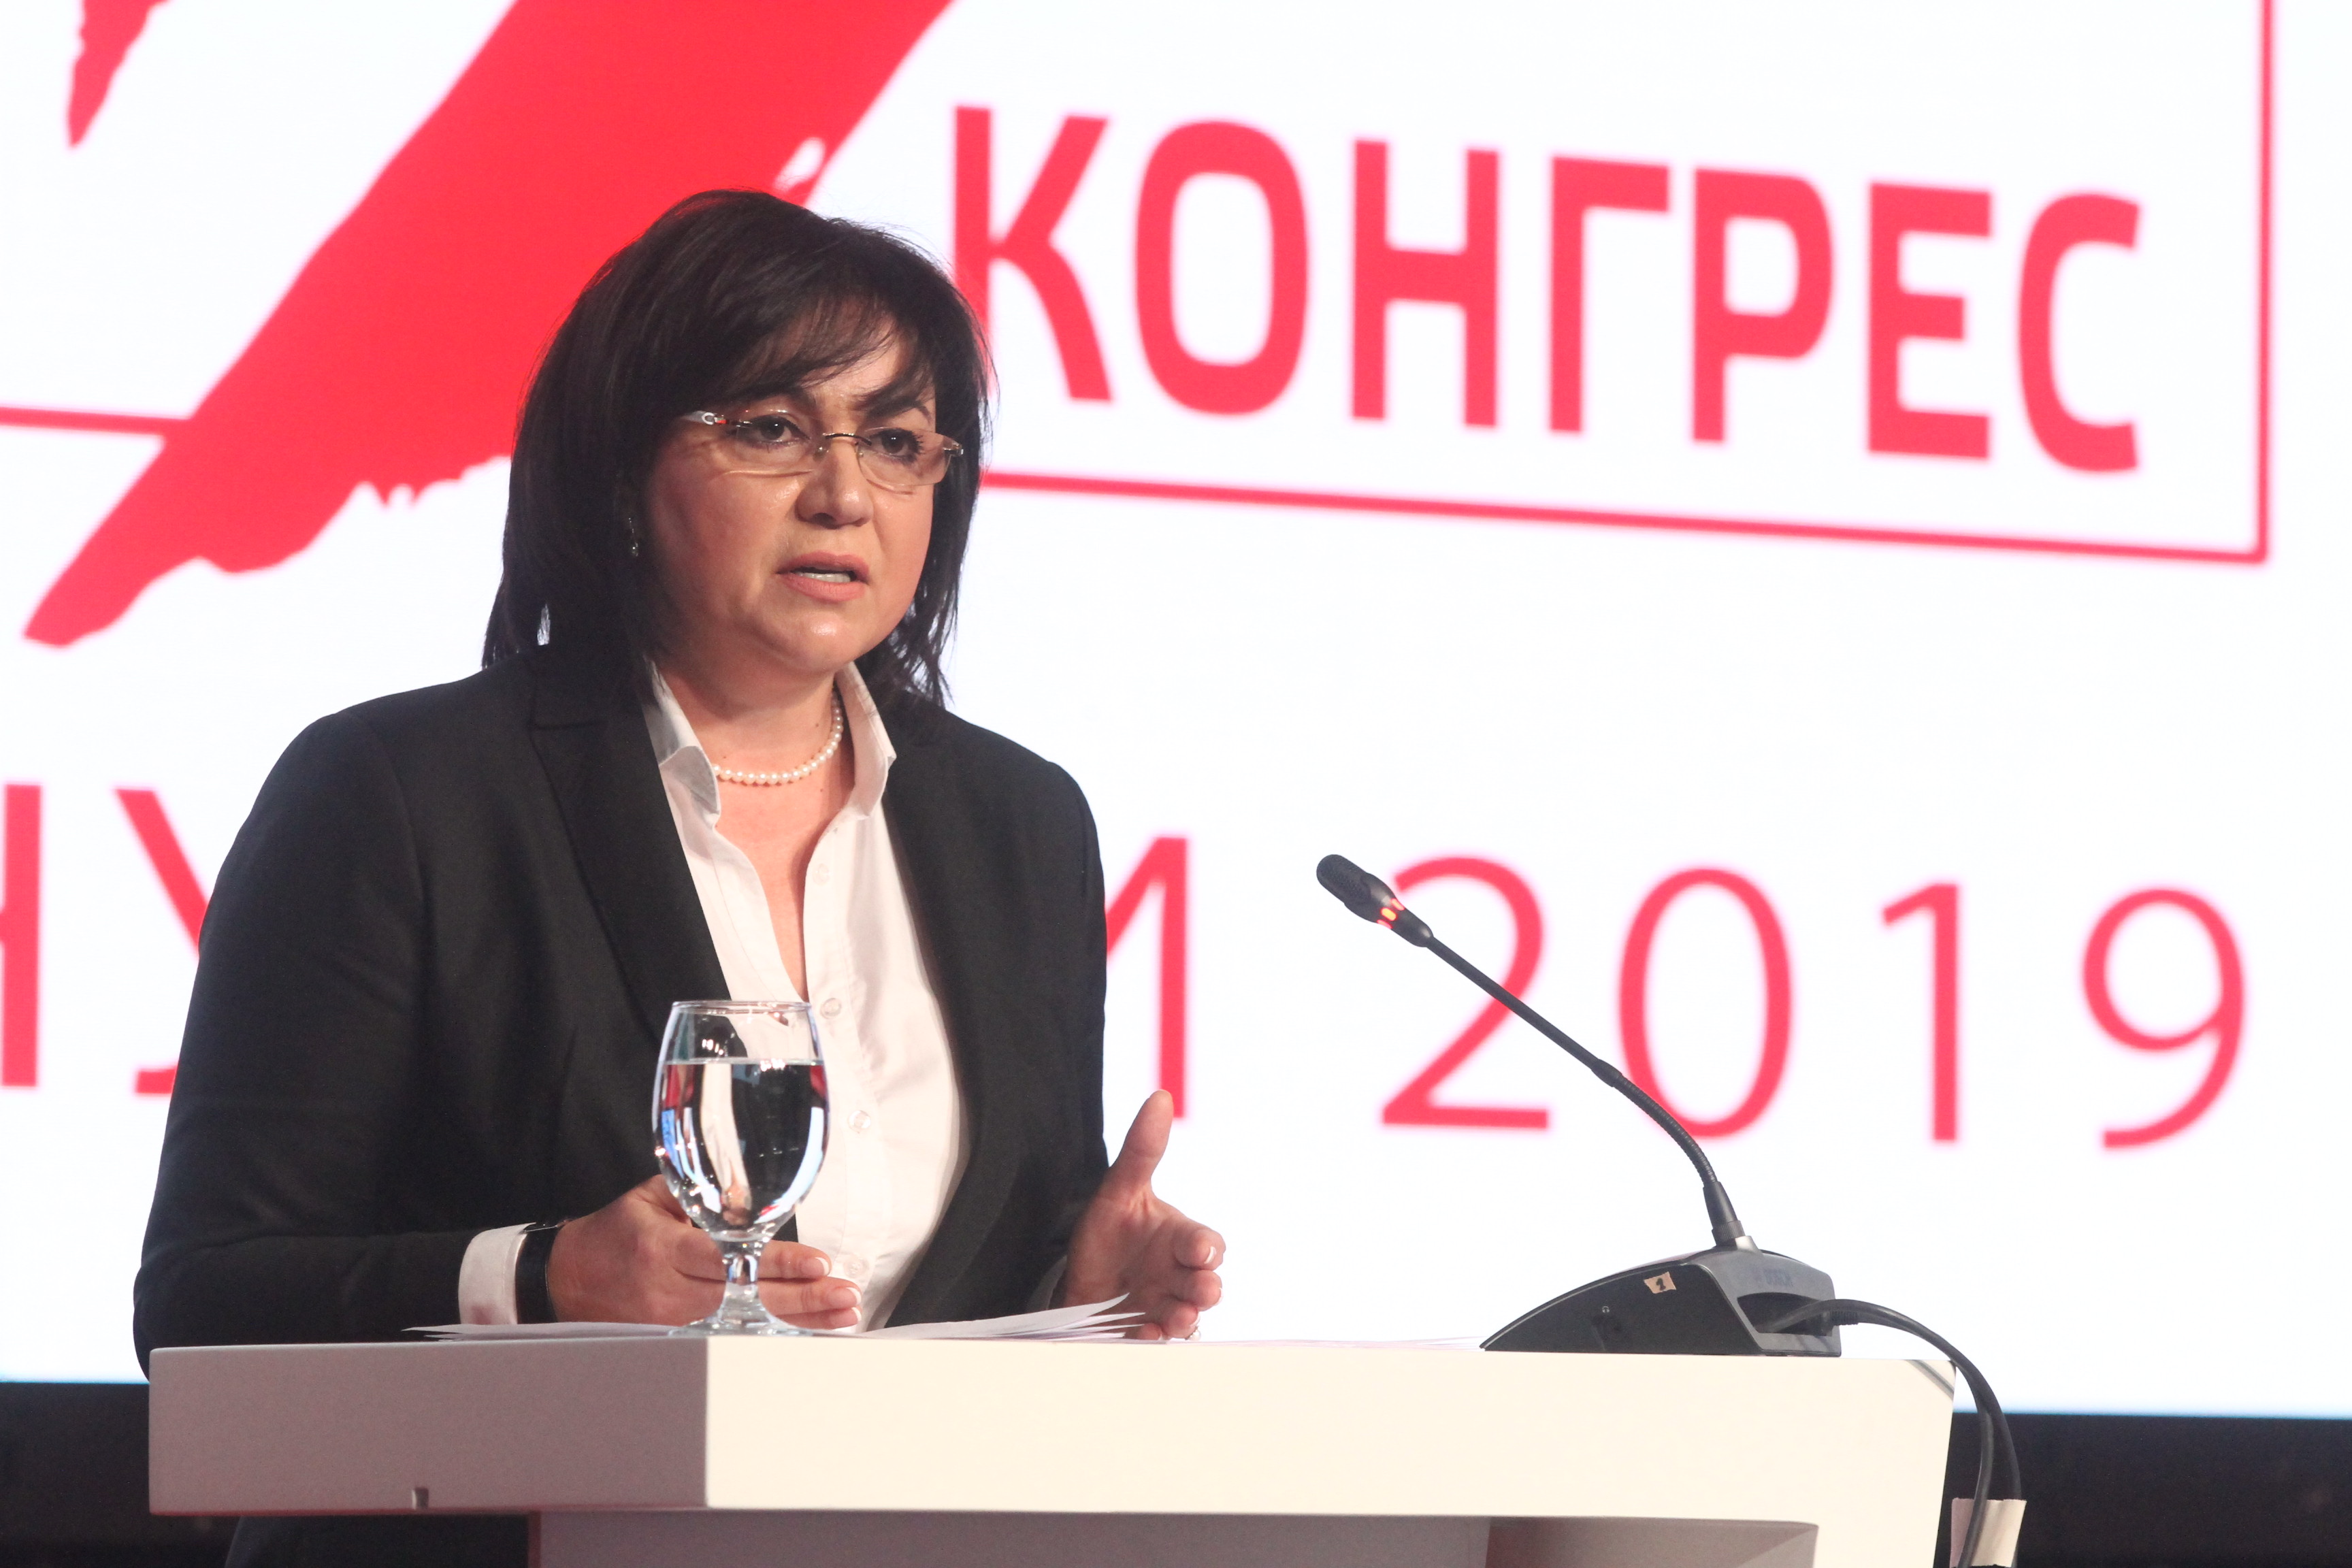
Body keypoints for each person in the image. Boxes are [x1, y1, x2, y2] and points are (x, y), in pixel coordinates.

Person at [135, 190, 1222, 1567]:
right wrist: (539, 1279)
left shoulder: (1019, 823)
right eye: (772, 429)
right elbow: (203, 1307)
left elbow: (930, 1291)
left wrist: (1076, 1293)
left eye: (896, 442)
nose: (844, 494)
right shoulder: (399, 794)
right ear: (621, 473)